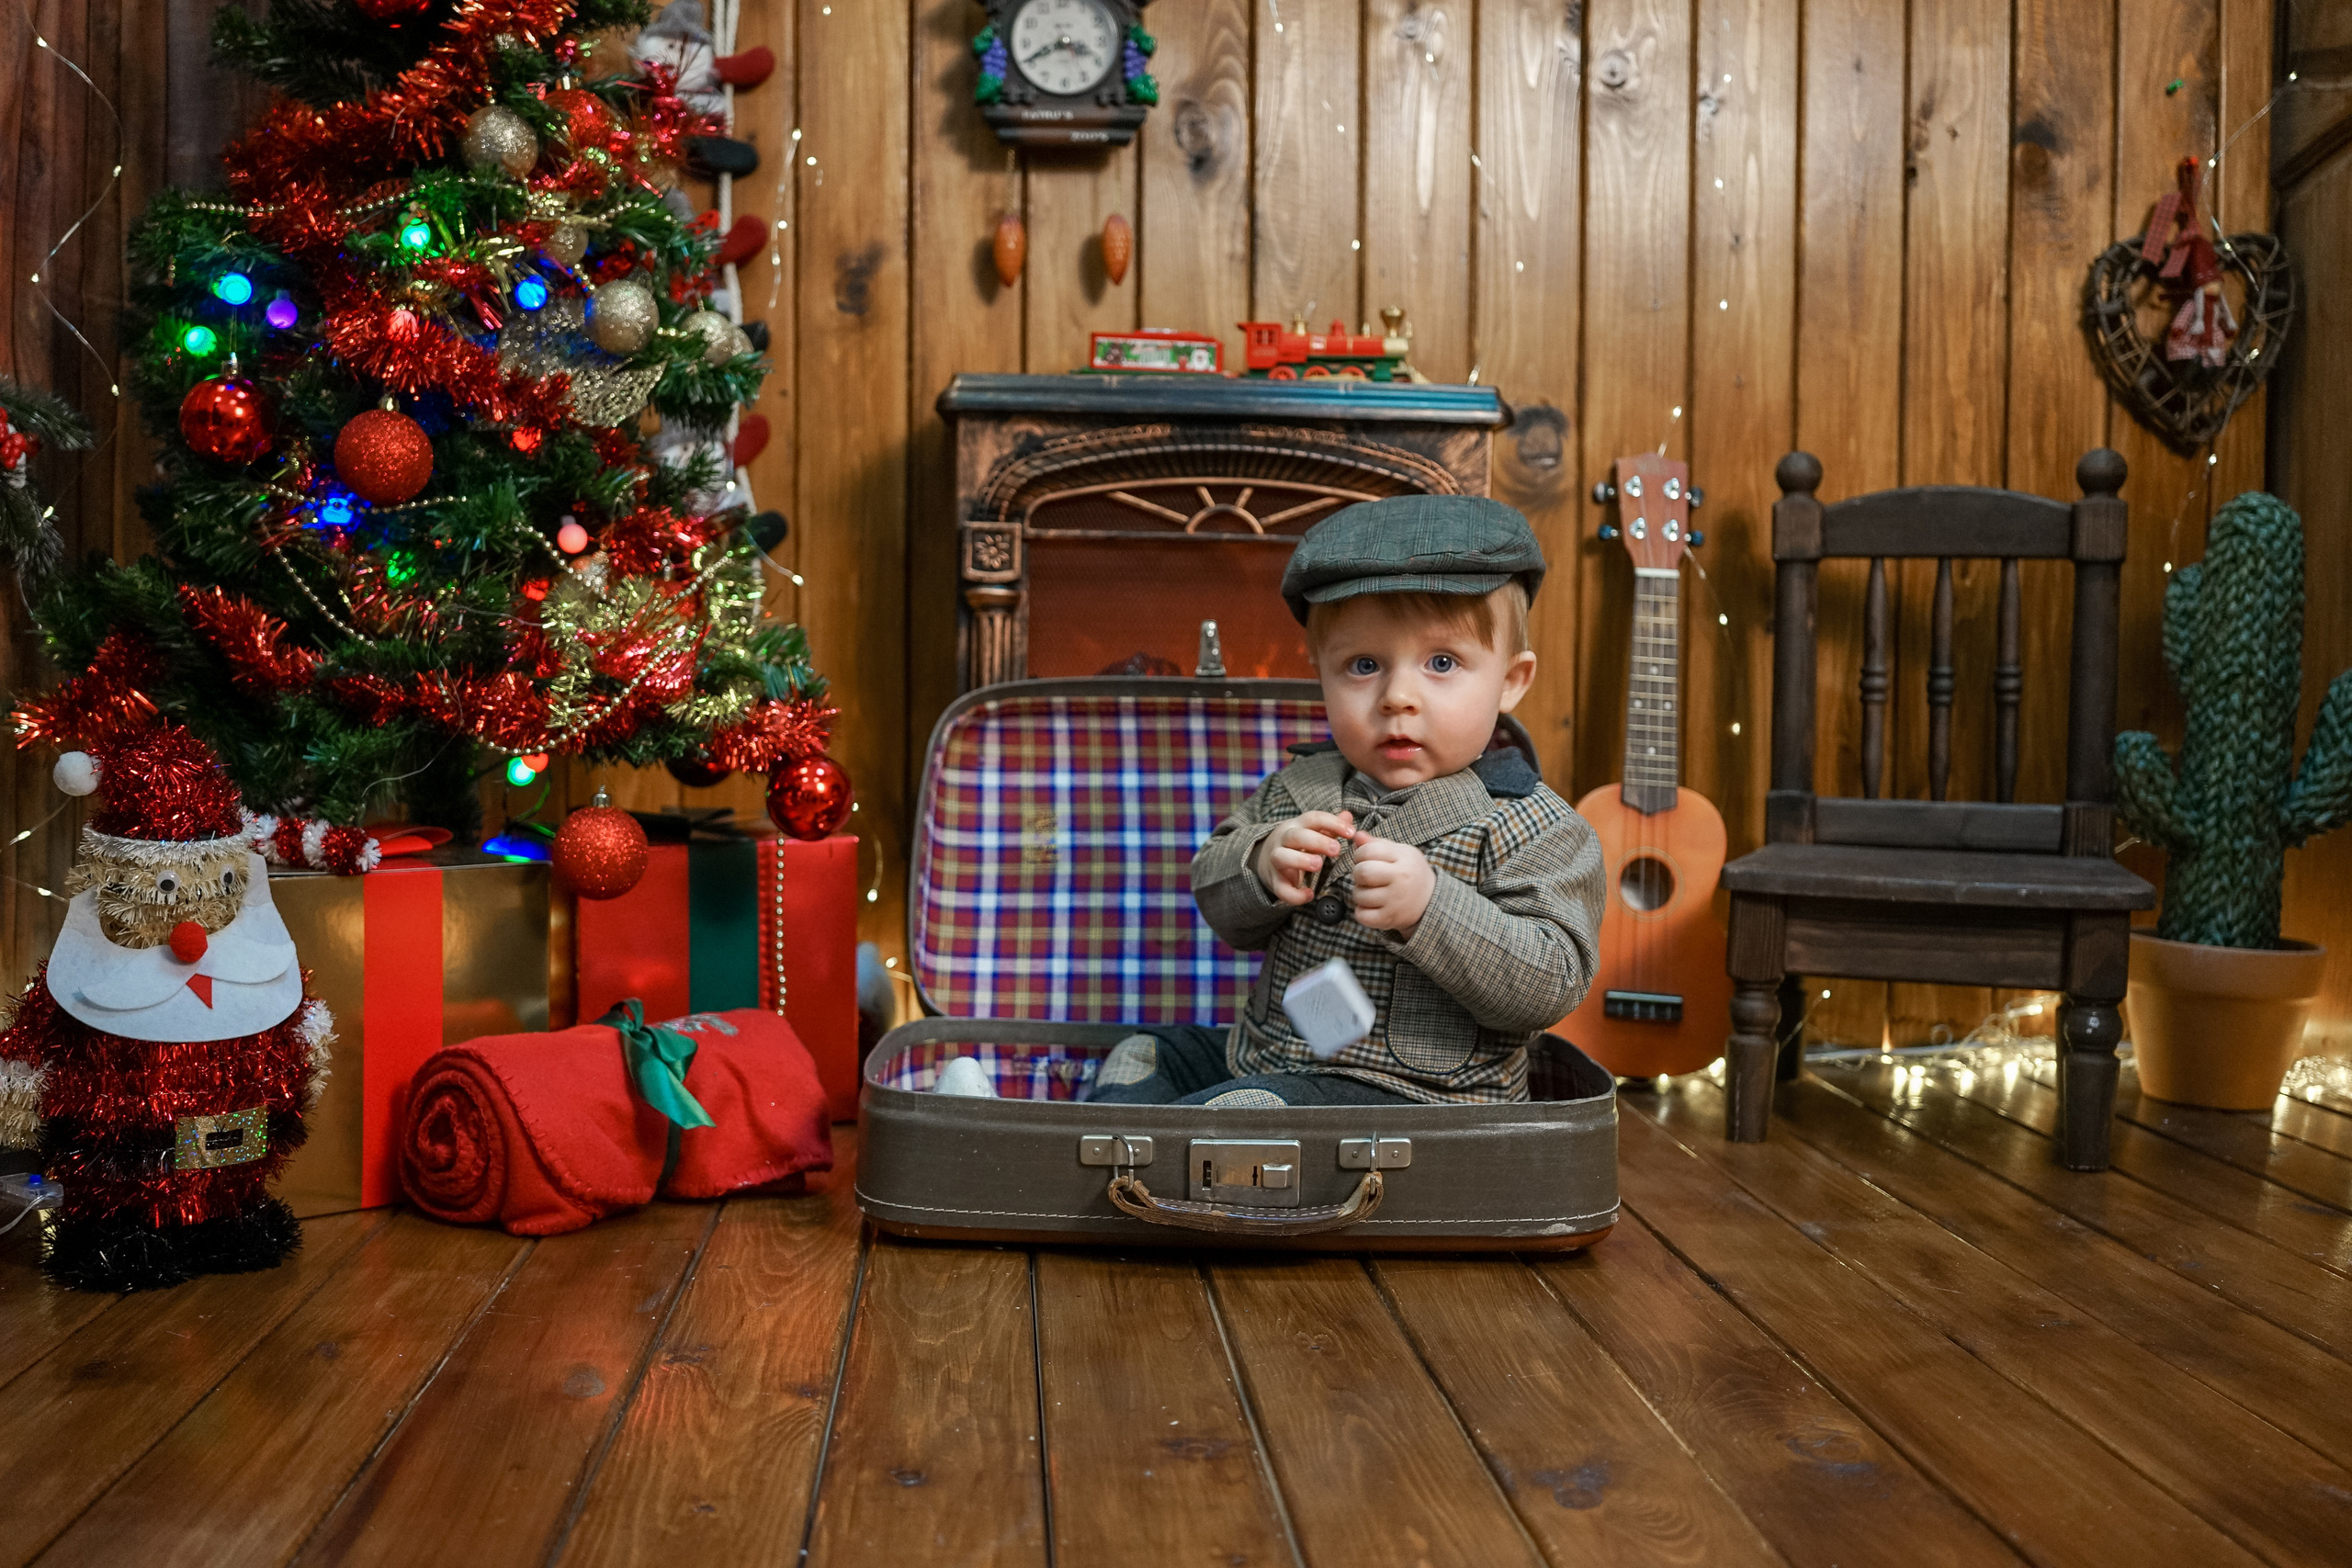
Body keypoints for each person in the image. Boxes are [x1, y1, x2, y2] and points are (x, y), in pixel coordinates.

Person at [1089, 495, 1605, 1108]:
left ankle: (1146, 1151)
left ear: (1511, 681)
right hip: (1264, 1055)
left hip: (1418, 1101)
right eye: (1364, 664)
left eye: (1442, 662)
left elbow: (1553, 982)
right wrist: (1260, 863)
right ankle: (1128, 1143)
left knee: (1257, 1109)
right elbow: (1215, 892)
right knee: (1147, 1051)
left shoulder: (1534, 826)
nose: (1398, 696)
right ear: (1321, 673)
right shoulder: (1300, 789)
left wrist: (1430, 907)